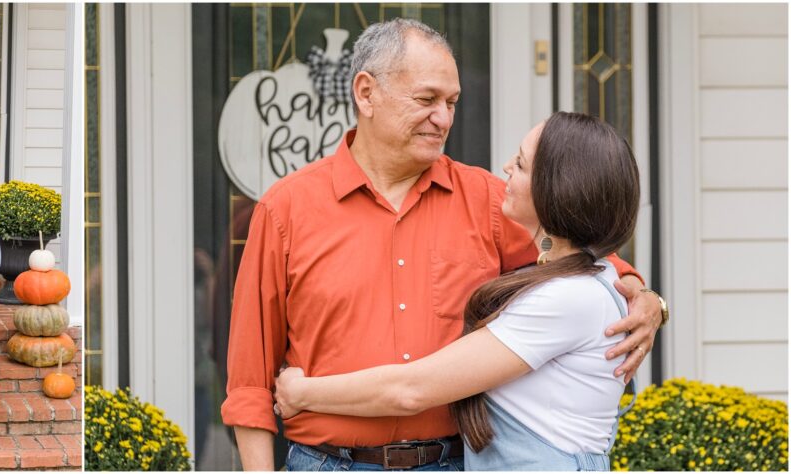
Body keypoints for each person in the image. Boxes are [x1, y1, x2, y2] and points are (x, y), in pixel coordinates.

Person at [221, 19, 666, 471]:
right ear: (366, 92)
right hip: (326, 462)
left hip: (451, 462)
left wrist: (643, 295)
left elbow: (579, 256)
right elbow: (249, 384)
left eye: (451, 102)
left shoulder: (487, 200)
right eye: (426, 99)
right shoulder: (287, 209)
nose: (444, 118)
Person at [275, 112, 641, 471]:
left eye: (523, 164)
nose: (507, 167)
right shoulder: (585, 282)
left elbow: (411, 390)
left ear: (558, 188)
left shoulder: (566, 299)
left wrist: (301, 392)